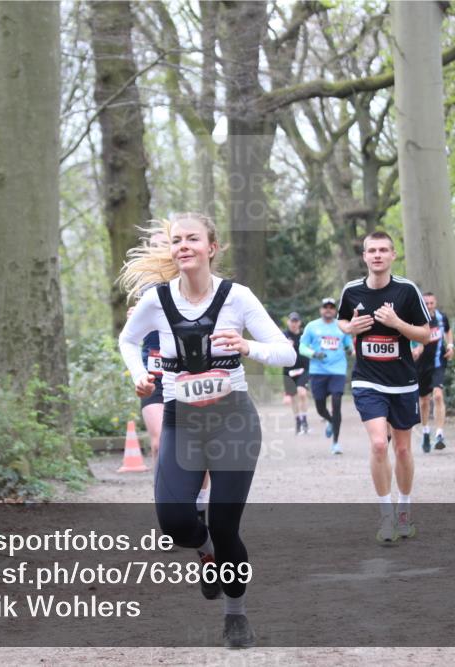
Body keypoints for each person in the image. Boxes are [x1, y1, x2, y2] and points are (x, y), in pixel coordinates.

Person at [118, 212, 296, 649]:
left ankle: (235, 615)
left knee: (224, 522)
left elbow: (287, 353)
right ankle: (205, 552)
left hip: (233, 419)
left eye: (192, 239)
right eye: (177, 240)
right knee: (176, 521)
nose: (183, 246)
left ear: (211, 247)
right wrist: (139, 372)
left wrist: (246, 346)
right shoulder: (157, 300)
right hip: (183, 418)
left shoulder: (237, 297)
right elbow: (127, 340)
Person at [336, 231, 431, 545]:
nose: (377, 255)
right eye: (371, 250)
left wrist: (396, 324)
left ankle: (404, 510)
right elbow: (341, 321)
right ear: (364, 256)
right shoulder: (351, 291)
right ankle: (386, 514)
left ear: (393, 255)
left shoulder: (406, 291)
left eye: (383, 250)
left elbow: (426, 335)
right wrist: (350, 328)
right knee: (379, 444)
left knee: (402, 449)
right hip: (367, 379)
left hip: (402, 381)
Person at [129, 232, 210, 517]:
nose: (158, 250)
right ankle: (166, 511)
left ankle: (198, 506)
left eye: (164, 244)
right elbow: (130, 337)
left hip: (190, 374)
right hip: (156, 376)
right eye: (152, 245)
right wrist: (136, 320)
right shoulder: (145, 289)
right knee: (159, 442)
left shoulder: (192, 282)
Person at [299, 298, 352, 455]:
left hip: (338, 370)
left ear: (335, 310)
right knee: (320, 408)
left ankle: (335, 443)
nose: (328, 309)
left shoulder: (341, 326)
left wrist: (349, 349)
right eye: (325, 307)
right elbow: (302, 347)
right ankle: (329, 420)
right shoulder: (312, 326)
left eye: (331, 307)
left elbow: (349, 343)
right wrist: (314, 353)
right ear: (321, 310)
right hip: (318, 371)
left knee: (337, 402)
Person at [411, 292, 454, 453]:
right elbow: (409, 337)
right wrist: (415, 349)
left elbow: (448, 332)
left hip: (438, 363)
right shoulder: (415, 319)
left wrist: (450, 346)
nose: (429, 306)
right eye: (426, 303)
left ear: (435, 303)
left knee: (437, 395)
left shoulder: (442, 318)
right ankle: (426, 432)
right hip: (420, 366)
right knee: (423, 401)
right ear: (422, 304)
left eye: (431, 303)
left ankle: (440, 435)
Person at [282, 312, 310, 434]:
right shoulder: (283, 335)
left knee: (302, 393)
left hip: (304, 369)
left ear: (299, 322)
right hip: (289, 371)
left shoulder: (304, 335)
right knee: (293, 397)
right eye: (292, 321)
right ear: (288, 322)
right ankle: (298, 421)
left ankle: (304, 420)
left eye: (296, 321)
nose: (294, 323)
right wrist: (285, 346)